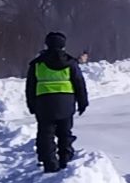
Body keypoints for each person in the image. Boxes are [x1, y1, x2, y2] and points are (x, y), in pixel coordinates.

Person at [26, 32, 89, 173]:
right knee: (64, 132)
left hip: (44, 103)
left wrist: (31, 104)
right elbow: (79, 83)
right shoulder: (70, 62)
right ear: (63, 45)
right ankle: (65, 160)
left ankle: (49, 163)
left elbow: (30, 86)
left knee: (45, 134)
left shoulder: (37, 64)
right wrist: (83, 102)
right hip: (66, 102)